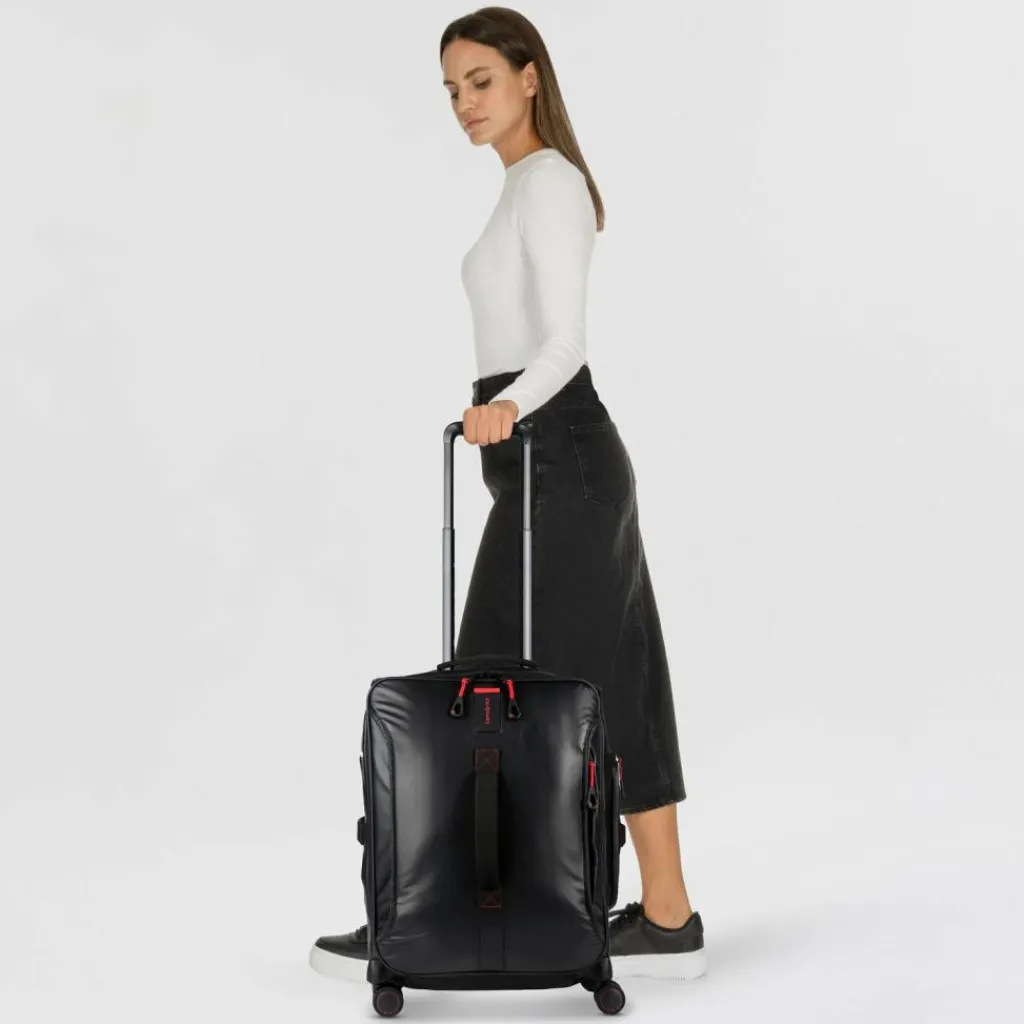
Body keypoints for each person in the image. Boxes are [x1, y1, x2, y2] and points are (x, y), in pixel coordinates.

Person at [310, 6, 706, 982]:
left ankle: (434, 915)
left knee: (503, 690)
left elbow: (565, 341)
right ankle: (659, 917)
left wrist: (508, 405)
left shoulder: (552, 184)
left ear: (530, 76)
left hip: (560, 453)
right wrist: (505, 414)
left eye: (480, 80)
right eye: (451, 89)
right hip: (536, 463)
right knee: (578, 684)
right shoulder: (520, 188)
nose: (463, 103)